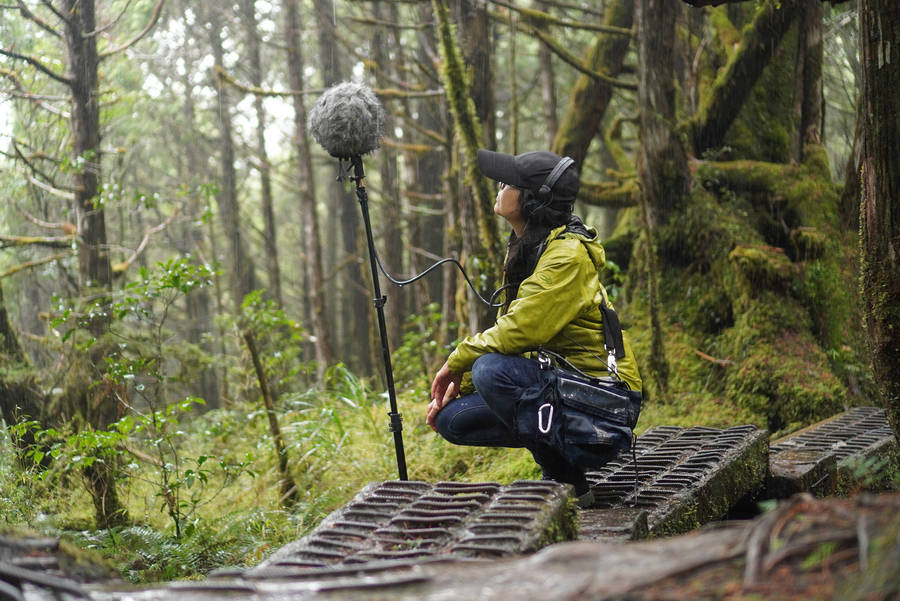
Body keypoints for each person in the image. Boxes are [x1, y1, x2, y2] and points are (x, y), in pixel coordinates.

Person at [426, 148, 642, 507]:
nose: (499, 185)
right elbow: (516, 343)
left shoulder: (566, 257)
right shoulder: (532, 249)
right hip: (567, 388)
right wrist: (456, 388)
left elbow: (518, 333)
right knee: (454, 419)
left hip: (608, 403)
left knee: (490, 371)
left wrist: (457, 360)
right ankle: (559, 463)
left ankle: (568, 482)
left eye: (508, 182)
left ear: (535, 198)